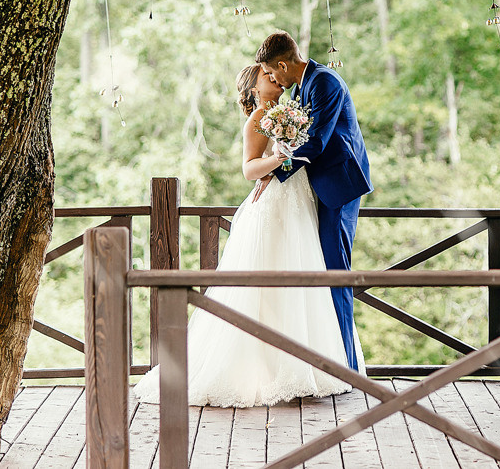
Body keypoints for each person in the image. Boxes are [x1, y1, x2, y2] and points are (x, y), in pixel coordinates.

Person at [133, 64, 361, 408]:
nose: (273, 78)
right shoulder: (257, 119)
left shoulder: (292, 109)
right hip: (274, 204)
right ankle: (261, 369)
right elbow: (249, 168)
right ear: (253, 88)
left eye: (273, 74)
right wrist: (278, 159)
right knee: (265, 284)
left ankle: (304, 364)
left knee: (302, 278)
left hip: (300, 202)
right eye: (266, 76)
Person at [255, 31, 372, 372]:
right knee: (323, 272)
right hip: (320, 186)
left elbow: (317, 142)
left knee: (336, 274)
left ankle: (347, 368)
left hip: (338, 188)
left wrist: (274, 172)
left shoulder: (324, 83)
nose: (274, 80)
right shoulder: (306, 85)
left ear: (281, 64)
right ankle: (332, 361)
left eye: (272, 73)